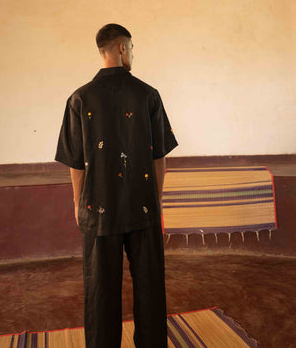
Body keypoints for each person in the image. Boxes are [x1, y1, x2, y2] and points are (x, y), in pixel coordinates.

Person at [54, 23, 178, 348]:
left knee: (99, 293)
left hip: (98, 210)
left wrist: (78, 204)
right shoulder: (148, 95)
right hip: (143, 208)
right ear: (122, 48)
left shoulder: (79, 98)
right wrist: (156, 200)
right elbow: (159, 157)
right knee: (150, 289)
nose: (133, 54)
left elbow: (76, 162)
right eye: (133, 48)